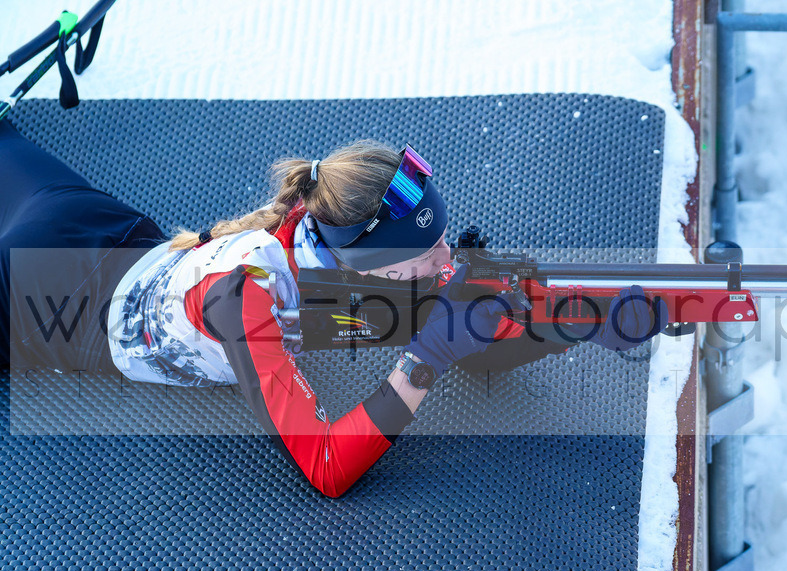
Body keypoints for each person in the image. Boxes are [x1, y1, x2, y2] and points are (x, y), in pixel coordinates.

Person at [2, 121, 667, 497]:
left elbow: (480, 340)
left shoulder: (320, 222)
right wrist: (424, 360)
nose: (444, 261)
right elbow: (325, 467)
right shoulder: (249, 301)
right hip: (38, 304)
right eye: (424, 252)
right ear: (366, 263)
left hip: (97, 224)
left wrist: (572, 322)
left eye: (443, 239)